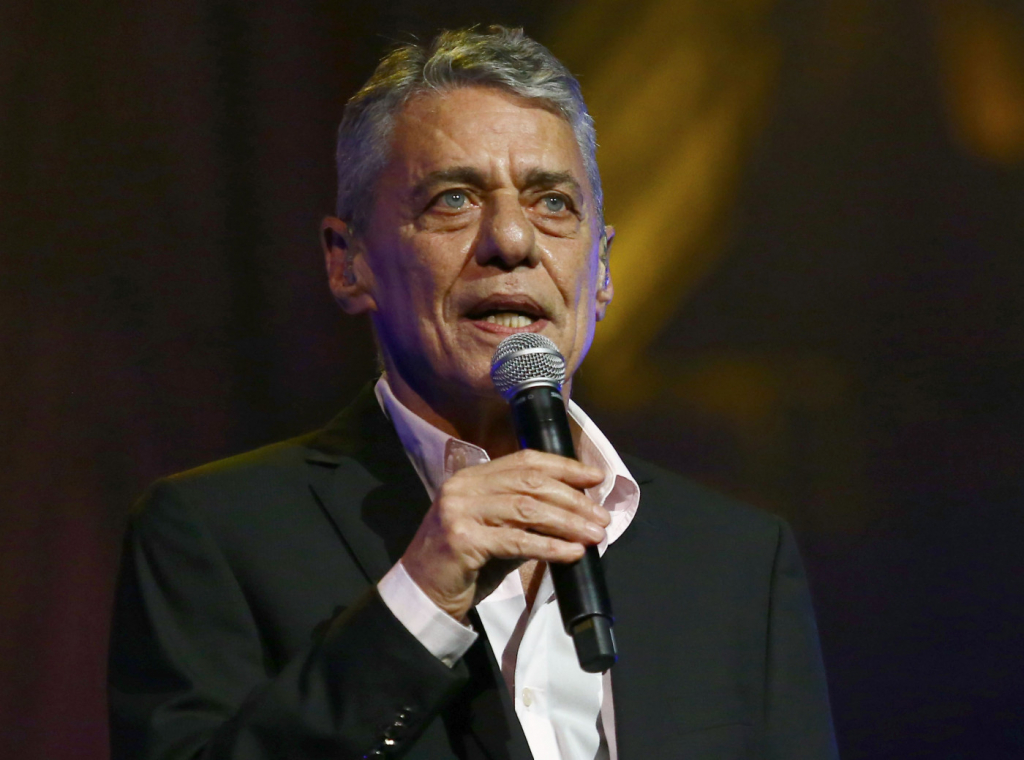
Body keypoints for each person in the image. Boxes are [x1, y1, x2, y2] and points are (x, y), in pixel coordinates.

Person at [108, 26, 838, 759]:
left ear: (602, 270)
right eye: (453, 199)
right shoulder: (216, 534)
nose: (512, 241)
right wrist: (420, 596)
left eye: (553, 203)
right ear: (348, 262)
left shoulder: (738, 559)